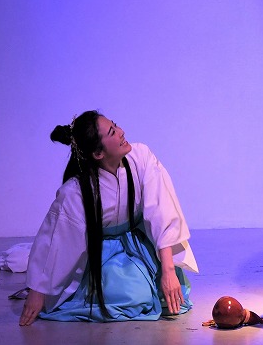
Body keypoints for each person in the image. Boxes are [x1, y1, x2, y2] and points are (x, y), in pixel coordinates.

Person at [19, 110, 198, 325]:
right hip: (103, 252)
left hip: (139, 242)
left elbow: (162, 210)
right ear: (98, 153)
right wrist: (39, 291)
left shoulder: (141, 157)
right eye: (112, 132)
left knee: (170, 295)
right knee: (135, 297)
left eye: (115, 125)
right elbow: (58, 241)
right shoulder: (77, 191)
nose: (121, 132)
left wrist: (168, 270)